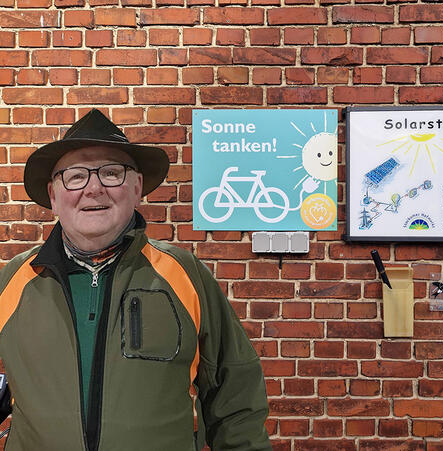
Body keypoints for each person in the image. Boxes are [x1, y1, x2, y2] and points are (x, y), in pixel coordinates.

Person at [0, 109, 272, 450]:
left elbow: (236, 399)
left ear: (137, 186)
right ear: (54, 195)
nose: (94, 188)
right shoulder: (13, 281)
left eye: (112, 173)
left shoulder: (184, 275)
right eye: (75, 176)